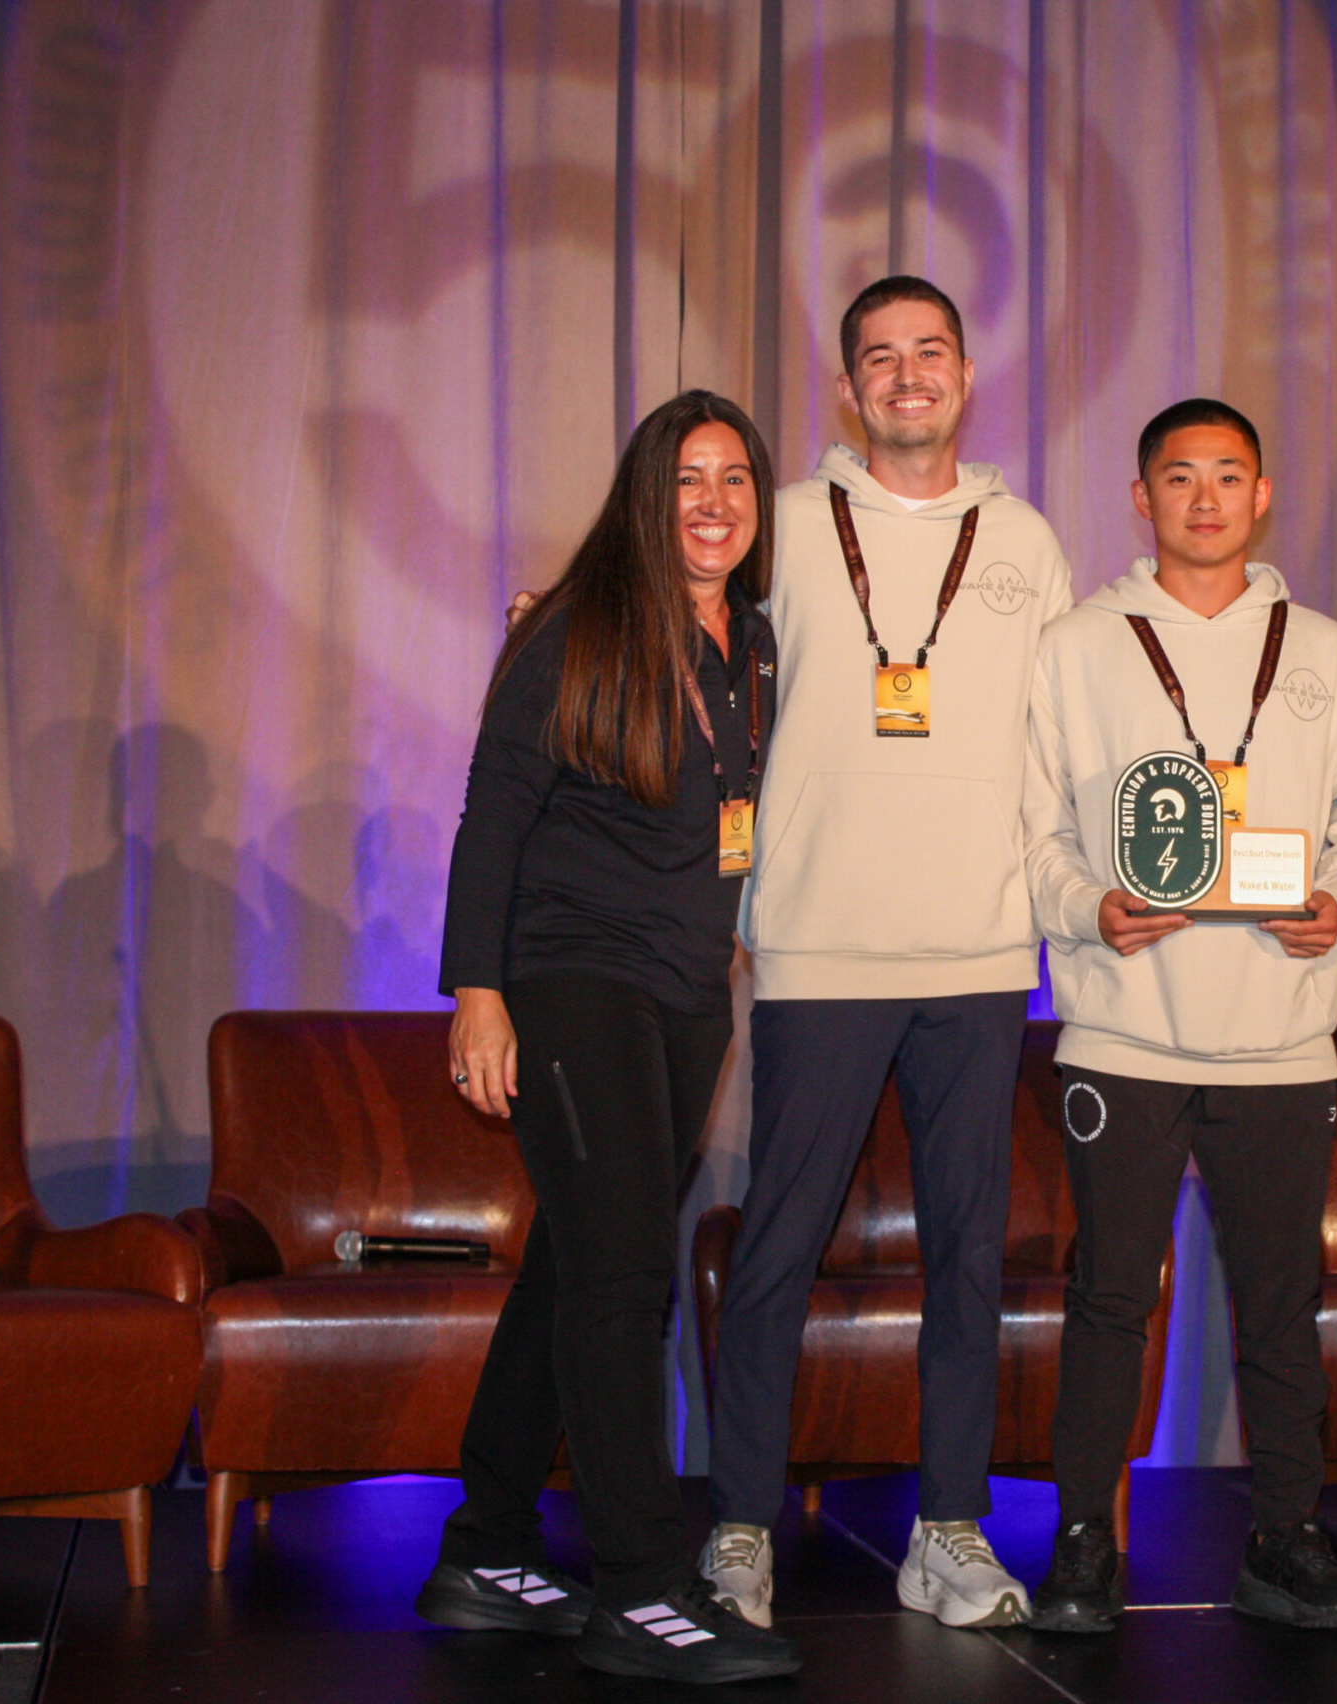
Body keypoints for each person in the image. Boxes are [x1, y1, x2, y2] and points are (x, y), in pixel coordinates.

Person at [700, 277, 1075, 1631]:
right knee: (779, 1248)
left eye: (930, 354)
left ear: (967, 377)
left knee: (969, 1255)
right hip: (816, 947)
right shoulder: (786, 526)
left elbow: (1059, 741)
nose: (907, 376)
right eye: (879, 359)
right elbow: (668, 612)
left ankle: (950, 1533)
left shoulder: (1024, 540)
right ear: (847, 388)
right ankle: (739, 1525)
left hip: (979, 953)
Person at [1019, 399, 1337, 1633]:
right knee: (1109, 1302)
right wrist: (1088, 905)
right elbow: (1030, 829)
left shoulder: (1330, 654)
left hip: (1281, 1041)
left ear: (1262, 495)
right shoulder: (1074, 648)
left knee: (1279, 1298)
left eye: (1228, 477)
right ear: (1140, 500)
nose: (1205, 498)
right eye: (1178, 478)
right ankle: (1085, 1540)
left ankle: (1286, 1538)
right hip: (1122, 1031)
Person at [420, 390, 800, 1685]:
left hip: (690, 991)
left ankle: (483, 1544)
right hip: (570, 978)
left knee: (580, 1264)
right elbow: (492, 817)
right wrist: (477, 992)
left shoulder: (751, 642)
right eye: (689, 479)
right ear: (648, 495)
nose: (713, 503)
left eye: (736, 480)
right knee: (628, 1278)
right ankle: (638, 1586)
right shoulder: (575, 630)